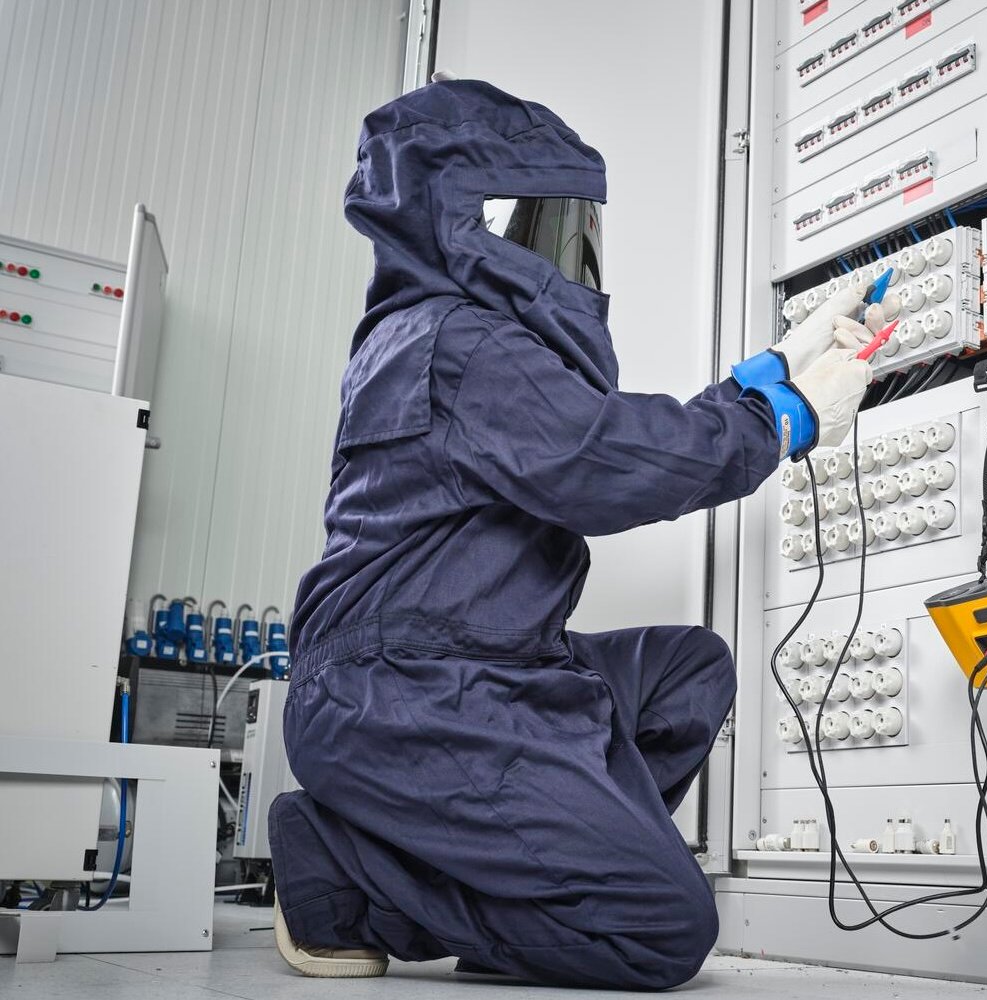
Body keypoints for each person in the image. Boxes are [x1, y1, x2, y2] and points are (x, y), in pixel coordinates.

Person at [267, 79, 884, 989]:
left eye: (577, 230)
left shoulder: (436, 336)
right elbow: (601, 463)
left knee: (689, 672)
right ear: (469, 219)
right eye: (547, 225)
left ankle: (520, 899)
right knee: (663, 933)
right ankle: (350, 871)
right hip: (405, 694)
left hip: (472, 670)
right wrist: (777, 418)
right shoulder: (459, 340)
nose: (566, 257)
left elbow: (590, 440)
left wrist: (773, 369)